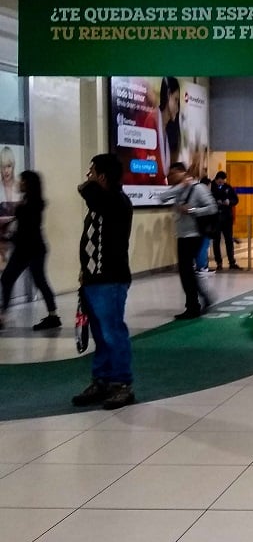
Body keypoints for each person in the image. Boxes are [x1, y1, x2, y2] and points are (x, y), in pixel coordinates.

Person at [71, 154, 136, 410]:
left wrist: (91, 184)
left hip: (111, 279)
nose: (87, 176)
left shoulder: (115, 202)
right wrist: (84, 273)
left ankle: (121, 384)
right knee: (100, 333)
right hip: (93, 279)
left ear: (102, 176)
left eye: (92, 171)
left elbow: (85, 190)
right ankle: (102, 380)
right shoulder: (101, 203)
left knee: (112, 332)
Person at [0, 170, 60, 331]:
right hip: (27, 248)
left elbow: (26, 231)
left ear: (28, 184)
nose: (19, 183)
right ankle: (3, 315)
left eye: (22, 181)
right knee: (9, 279)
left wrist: (7, 238)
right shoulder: (28, 202)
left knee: (37, 281)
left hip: (31, 249)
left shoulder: (32, 205)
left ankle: (53, 316)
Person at [160, 161, 218, 319]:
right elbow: (162, 198)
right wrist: (181, 186)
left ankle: (193, 306)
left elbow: (212, 208)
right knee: (186, 272)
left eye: (172, 174)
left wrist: (192, 210)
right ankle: (201, 298)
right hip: (182, 236)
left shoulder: (199, 189)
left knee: (186, 271)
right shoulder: (179, 190)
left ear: (181, 172)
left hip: (194, 235)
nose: (169, 177)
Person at [210, 170, 241, 270]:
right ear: (216, 179)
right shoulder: (211, 188)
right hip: (215, 218)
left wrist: (229, 202)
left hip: (227, 218)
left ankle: (232, 262)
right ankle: (219, 262)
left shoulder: (228, 187)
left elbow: (236, 199)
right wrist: (216, 202)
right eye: (220, 181)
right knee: (216, 241)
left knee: (229, 240)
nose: (221, 183)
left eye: (223, 181)